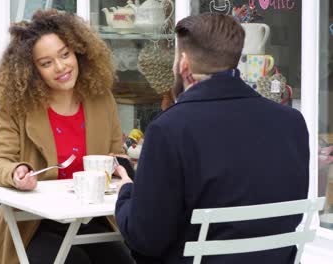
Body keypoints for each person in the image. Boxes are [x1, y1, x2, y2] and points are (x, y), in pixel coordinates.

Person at [114, 13, 309, 264]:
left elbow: (145, 239)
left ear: (184, 64)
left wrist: (126, 193)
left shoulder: (170, 129)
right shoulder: (291, 122)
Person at [0, 9, 134, 264]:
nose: (61, 67)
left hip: (93, 218)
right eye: (46, 62)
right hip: (34, 224)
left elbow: (115, 156)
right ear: (32, 70)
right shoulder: (18, 107)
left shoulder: (101, 99)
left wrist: (122, 167)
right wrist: (16, 172)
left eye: (65, 54)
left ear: (78, 52)